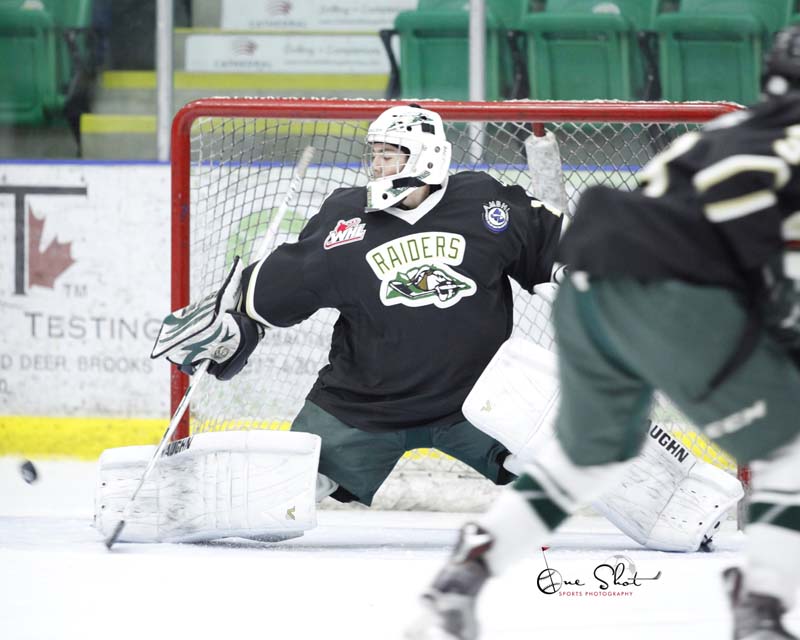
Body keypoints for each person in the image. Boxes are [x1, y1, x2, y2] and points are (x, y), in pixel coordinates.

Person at [404, 26, 800, 640]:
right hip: (672, 294)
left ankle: (462, 579)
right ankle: (763, 609)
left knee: (589, 456)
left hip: (591, 285)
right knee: (787, 450)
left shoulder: (725, 131)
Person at [155, 103, 565, 507]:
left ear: (425, 157)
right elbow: (277, 291)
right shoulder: (346, 218)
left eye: (388, 155)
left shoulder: (484, 203)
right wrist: (237, 320)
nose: (378, 166)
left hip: (476, 399)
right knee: (293, 486)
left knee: (545, 459)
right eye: (376, 155)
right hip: (366, 404)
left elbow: (555, 250)